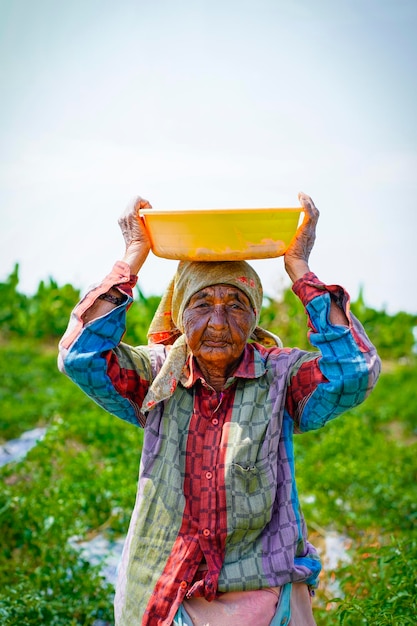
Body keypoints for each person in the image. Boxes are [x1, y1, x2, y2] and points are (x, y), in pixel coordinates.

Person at [58, 192, 381, 626]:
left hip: (266, 599)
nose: (217, 322)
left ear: (254, 318)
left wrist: (300, 271)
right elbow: (80, 356)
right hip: (169, 596)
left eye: (235, 306)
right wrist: (132, 257)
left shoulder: (280, 377)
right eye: (202, 305)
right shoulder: (157, 376)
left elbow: (355, 371)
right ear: (179, 313)